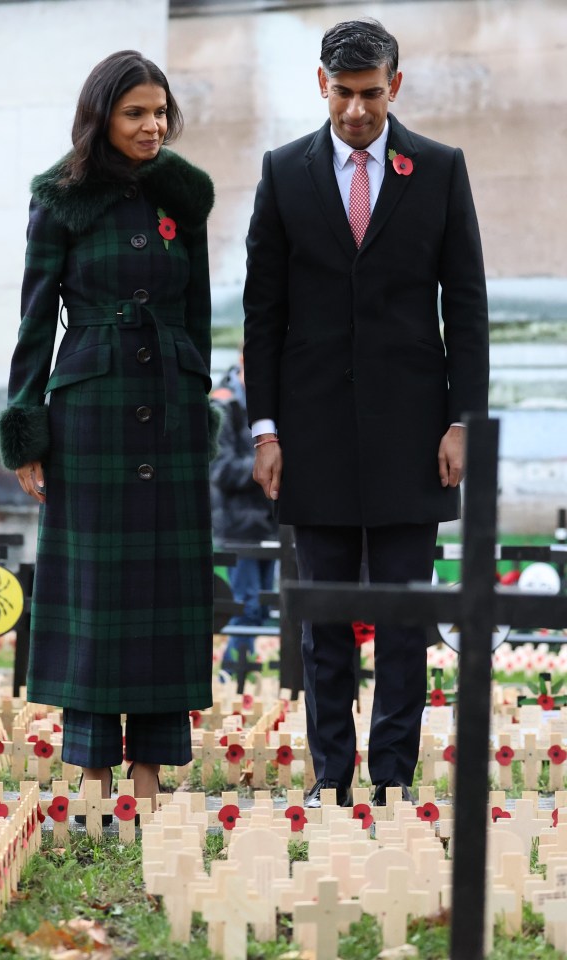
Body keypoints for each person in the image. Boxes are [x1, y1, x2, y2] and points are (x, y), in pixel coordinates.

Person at [243, 19, 489, 808]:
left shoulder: (442, 171)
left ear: (396, 85)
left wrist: (462, 421)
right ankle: (329, 776)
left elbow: (469, 307)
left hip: (416, 440)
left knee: (406, 619)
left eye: (371, 94)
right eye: (343, 94)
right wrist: (265, 427)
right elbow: (263, 313)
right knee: (324, 621)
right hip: (309, 439)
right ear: (322, 84)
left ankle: (390, 779)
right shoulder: (284, 173)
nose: (356, 111)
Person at [0, 50, 216, 813]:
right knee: (94, 593)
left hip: (172, 413)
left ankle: (152, 771)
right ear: (102, 117)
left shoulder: (184, 197)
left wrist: (199, 400)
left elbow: (200, 315)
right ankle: (91, 768)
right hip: (89, 414)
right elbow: (33, 321)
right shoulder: (60, 198)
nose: (153, 126)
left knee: (162, 587)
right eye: (135, 113)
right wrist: (26, 429)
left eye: (161, 112)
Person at [210, 352, 278, 675]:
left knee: (261, 610)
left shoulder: (270, 402)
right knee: (246, 606)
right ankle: (231, 676)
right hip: (239, 526)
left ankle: (241, 677)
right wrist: (266, 463)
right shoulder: (223, 404)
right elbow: (219, 469)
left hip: (269, 524)